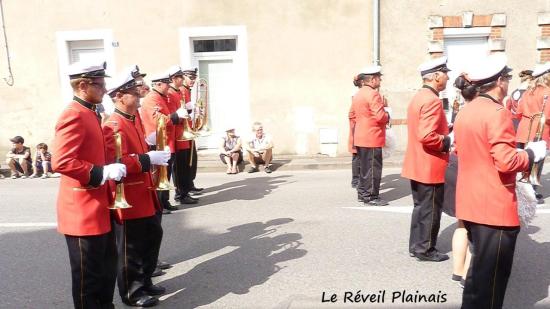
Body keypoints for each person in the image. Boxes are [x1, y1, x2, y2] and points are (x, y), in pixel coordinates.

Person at [454, 54, 547, 309]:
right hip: (493, 208)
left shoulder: (467, 110)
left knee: (477, 278)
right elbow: (506, 162)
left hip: (471, 203)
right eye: (506, 78)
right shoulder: (497, 113)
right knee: (492, 285)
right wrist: (530, 154)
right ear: (499, 82)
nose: (507, 82)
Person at [52, 60, 127, 309]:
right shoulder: (73, 113)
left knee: (106, 271)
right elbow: (62, 161)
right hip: (82, 210)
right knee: (88, 279)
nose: (106, 89)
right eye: (101, 84)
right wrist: (100, 173)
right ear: (83, 85)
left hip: (99, 205)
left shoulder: (92, 111)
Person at [103, 69, 171, 307]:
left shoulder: (133, 119)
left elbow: (138, 149)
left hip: (145, 190)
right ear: (119, 96)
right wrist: (146, 159)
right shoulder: (112, 124)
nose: (140, 96)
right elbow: (113, 161)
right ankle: (133, 291)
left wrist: (151, 148)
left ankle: (144, 279)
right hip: (128, 194)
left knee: (152, 236)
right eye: (134, 92)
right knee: (130, 248)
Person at [402, 56, 452, 262]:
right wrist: (447, 140)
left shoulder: (420, 96)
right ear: (436, 76)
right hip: (430, 165)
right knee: (431, 209)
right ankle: (425, 249)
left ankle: (416, 245)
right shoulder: (432, 100)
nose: (448, 78)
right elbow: (427, 135)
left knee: (420, 207)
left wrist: (444, 129)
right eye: (446, 73)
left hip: (418, 163)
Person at [442, 74, 478, 288]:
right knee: (478, 227)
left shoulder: (460, 111)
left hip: (455, 164)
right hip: (470, 169)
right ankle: (467, 274)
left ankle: (458, 271)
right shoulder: (480, 112)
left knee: (462, 224)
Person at [140, 70, 181, 212]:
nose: (169, 86)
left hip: (167, 141)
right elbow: (157, 119)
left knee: (166, 174)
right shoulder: (152, 98)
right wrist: (175, 116)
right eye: (166, 83)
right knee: (159, 175)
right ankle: (158, 203)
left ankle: (164, 201)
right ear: (158, 84)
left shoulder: (162, 97)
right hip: (157, 141)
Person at [351, 65, 389, 206]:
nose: (380, 80)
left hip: (361, 135)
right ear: (373, 79)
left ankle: (362, 193)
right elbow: (380, 116)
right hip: (372, 136)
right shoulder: (373, 94)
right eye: (379, 78)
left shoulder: (359, 93)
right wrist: (387, 115)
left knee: (364, 168)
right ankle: (371, 196)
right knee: (373, 169)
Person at [515, 63, 550, 204]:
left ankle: (524, 191)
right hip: (539, 131)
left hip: (524, 129)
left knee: (526, 162)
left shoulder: (527, 91)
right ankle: (531, 193)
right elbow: (548, 116)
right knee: (536, 163)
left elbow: (519, 113)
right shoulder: (547, 91)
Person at [167, 65, 198, 205]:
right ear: (175, 78)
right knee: (179, 168)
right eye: (181, 77)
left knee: (185, 165)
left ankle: (185, 190)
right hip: (178, 134)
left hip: (183, 133)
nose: (183, 80)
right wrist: (183, 114)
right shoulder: (171, 93)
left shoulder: (179, 92)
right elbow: (172, 115)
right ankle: (181, 194)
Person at [180, 67, 204, 195]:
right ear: (184, 77)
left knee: (192, 159)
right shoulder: (181, 90)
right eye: (190, 78)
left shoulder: (187, 90)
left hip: (189, 129)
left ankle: (190, 184)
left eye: (194, 78)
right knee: (184, 163)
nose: (193, 80)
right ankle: (183, 189)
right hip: (183, 131)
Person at [348, 90, 360, 188]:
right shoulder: (354, 109)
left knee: (358, 158)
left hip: (358, 134)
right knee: (357, 157)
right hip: (356, 134)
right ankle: (356, 180)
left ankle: (357, 179)